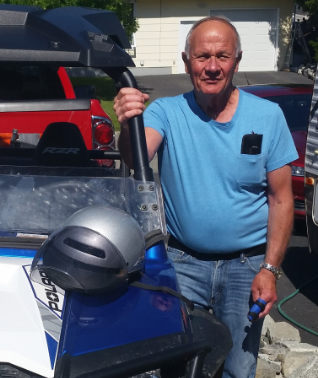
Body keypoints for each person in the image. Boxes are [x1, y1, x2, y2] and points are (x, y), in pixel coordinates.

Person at [114, 16, 297, 378]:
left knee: (238, 366)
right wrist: (127, 124)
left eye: (222, 56)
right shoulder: (167, 111)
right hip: (183, 263)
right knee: (175, 361)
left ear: (237, 61)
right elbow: (135, 157)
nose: (212, 66)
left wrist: (270, 269)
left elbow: (281, 199)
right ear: (187, 62)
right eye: (202, 57)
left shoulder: (268, 116)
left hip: (248, 267)